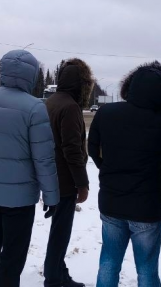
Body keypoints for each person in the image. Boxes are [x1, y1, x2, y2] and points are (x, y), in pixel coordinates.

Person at [88, 61, 161, 287]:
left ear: (129, 86)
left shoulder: (106, 113)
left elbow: (92, 149)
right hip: (146, 208)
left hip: (111, 202)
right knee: (146, 270)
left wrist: (107, 169)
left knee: (108, 262)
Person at [0, 49, 60, 287]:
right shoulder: (34, 108)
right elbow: (43, 158)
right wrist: (51, 196)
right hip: (20, 199)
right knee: (12, 257)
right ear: (30, 75)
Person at [43, 58, 94, 287]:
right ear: (81, 85)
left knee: (58, 230)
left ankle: (58, 273)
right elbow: (72, 148)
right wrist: (82, 183)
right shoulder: (70, 107)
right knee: (61, 233)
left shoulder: (50, 102)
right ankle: (53, 279)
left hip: (51, 175)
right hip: (64, 179)